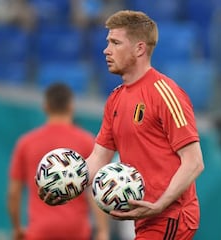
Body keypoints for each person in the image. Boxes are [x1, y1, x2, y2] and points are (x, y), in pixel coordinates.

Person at [41, 10, 205, 239]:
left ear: (139, 49)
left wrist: (160, 204)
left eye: (115, 43)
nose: (106, 50)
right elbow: (99, 157)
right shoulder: (116, 99)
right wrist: (66, 185)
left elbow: (194, 162)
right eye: (108, 42)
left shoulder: (165, 93)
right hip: (143, 217)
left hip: (170, 215)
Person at [7, 83, 109, 240]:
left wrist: (17, 227)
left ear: (45, 106)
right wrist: (103, 231)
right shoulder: (87, 141)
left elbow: (14, 193)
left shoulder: (26, 143)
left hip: (40, 231)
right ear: (71, 106)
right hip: (77, 231)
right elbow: (96, 191)